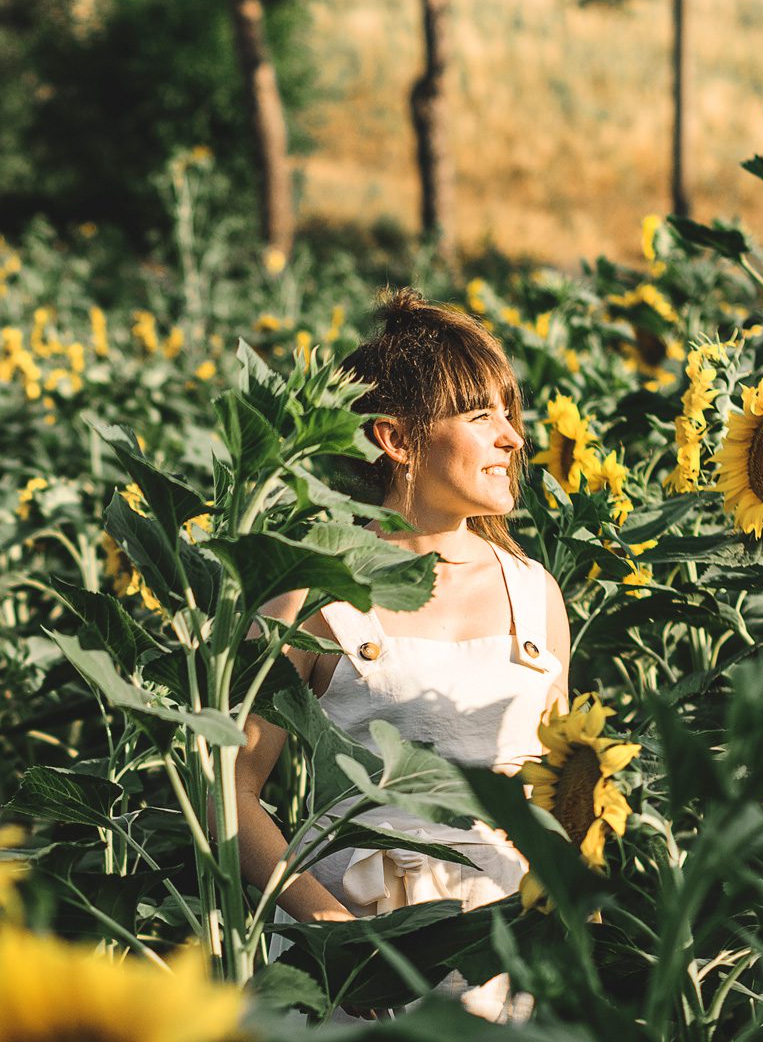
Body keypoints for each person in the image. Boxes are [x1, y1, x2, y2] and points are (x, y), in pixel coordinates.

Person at [231, 287, 570, 1022]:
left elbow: (559, 789)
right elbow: (225, 788)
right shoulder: (316, 587)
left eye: (509, 414)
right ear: (398, 440)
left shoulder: (534, 594)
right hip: (357, 962)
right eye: (482, 417)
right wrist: (330, 933)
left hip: (505, 960)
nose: (512, 438)